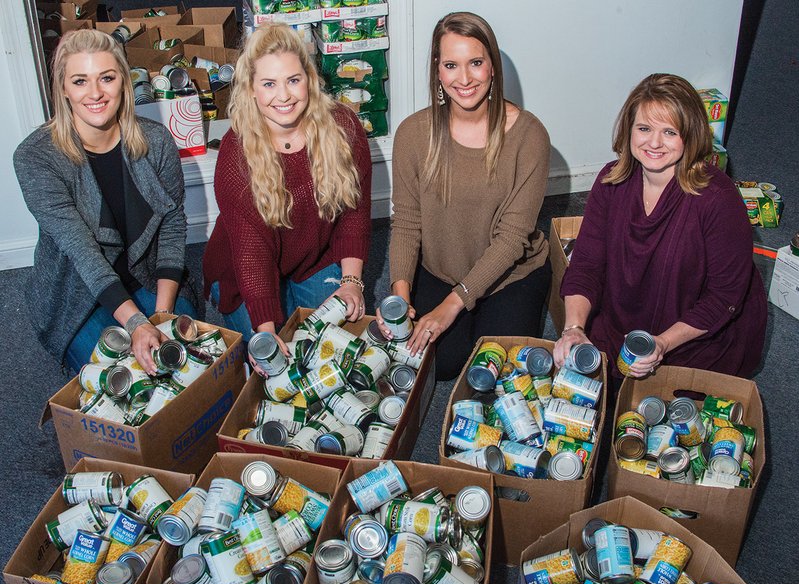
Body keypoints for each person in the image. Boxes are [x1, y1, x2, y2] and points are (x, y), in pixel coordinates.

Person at [554, 73, 767, 380]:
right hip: (624, 318)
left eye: (669, 132)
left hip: (695, 335)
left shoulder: (718, 200)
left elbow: (723, 297)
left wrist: (663, 343)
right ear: (629, 130)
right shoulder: (610, 181)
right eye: (644, 128)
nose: (654, 142)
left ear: (690, 136)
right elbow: (586, 264)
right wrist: (573, 329)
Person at [14, 29, 198, 375]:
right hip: (79, 291)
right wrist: (137, 325)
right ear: (64, 89)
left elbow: (173, 225)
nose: (95, 93)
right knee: (123, 376)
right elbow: (81, 251)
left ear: (123, 83)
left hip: (146, 277)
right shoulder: (35, 157)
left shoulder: (156, 141)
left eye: (107, 78)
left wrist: (161, 315)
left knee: (182, 363)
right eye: (80, 81)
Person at [384, 11, 551, 380]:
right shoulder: (413, 134)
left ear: (492, 66)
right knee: (439, 366)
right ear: (437, 71)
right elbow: (407, 223)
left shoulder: (529, 136)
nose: (464, 78)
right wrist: (401, 297)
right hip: (441, 270)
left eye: (476, 62)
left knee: (499, 370)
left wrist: (452, 305)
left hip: (511, 273)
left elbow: (511, 240)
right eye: (451, 65)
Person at [203, 23, 371, 358]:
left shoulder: (344, 127)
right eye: (269, 84)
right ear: (251, 88)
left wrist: (352, 281)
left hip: (314, 256)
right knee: (279, 362)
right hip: (242, 269)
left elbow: (355, 211)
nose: (284, 96)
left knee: (333, 351)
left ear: (309, 78)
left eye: (294, 80)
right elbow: (252, 253)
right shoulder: (236, 154)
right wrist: (265, 331)